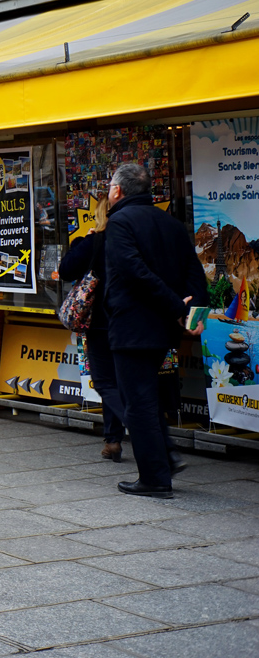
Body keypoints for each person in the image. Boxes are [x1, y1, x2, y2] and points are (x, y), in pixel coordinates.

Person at [103, 162, 206, 498]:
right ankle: (163, 465)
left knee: (139, 403)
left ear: (118, 191)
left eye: (109, 189)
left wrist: (177, 307)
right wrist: (190, 314)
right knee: (151, 399)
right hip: (165, 330)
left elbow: (134, 272)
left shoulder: (119, 223)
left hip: (133, 327)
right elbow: (195, 274)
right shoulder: (172, 224)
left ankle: (154, 478)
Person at [58, 198, 125, 462]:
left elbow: (66, 269)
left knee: (106, 381)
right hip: (135, 320)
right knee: (128, 380)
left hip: (101, 321)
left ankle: (113, 438)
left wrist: (82, 242)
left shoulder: (96, 240)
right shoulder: (134, 239)